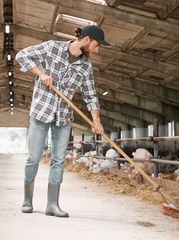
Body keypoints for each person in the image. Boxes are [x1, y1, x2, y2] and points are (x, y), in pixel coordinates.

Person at [15, 25, 110, 218]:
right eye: (96, 45)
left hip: (64, 116)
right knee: (33, 157)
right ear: (86, 40)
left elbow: (91, 96)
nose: (96, 50)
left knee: (58, 160)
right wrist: (41, 73)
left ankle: (52, 205)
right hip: (41, 111)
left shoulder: (86, 66)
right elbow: (22, 56)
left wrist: (96, 120)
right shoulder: (52, 48)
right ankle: (27, 200)